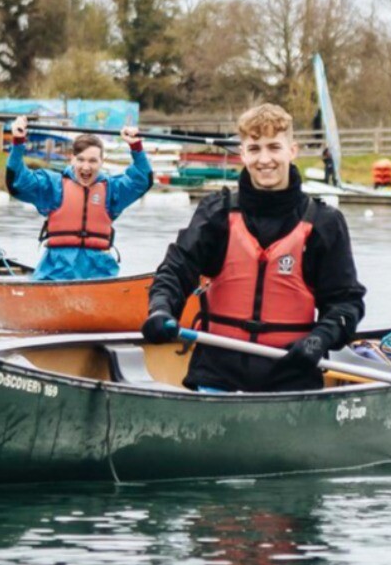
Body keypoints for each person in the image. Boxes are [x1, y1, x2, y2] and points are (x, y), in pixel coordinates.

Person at [141, 103, 366, 393]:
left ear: (292, 150)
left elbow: (346, 303)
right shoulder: (217, 213)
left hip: (291, 377)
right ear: (243, 153)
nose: (265, 159)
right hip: (216, 375)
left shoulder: (325, 223)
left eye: (274, 147)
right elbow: (175, 271)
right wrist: (160, 310)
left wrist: (319, 339)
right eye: (255, 148)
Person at [5, 114, 153, 281]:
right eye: (81, 159)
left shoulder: (112, 189)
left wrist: (136, 147)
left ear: (102, 162)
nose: (86, 167)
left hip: (100, 274)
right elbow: (18, 182)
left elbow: (142, 180)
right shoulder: (53, 186)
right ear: (72, 159)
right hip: (55, 273)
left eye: (93, 161)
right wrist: (18, 141)